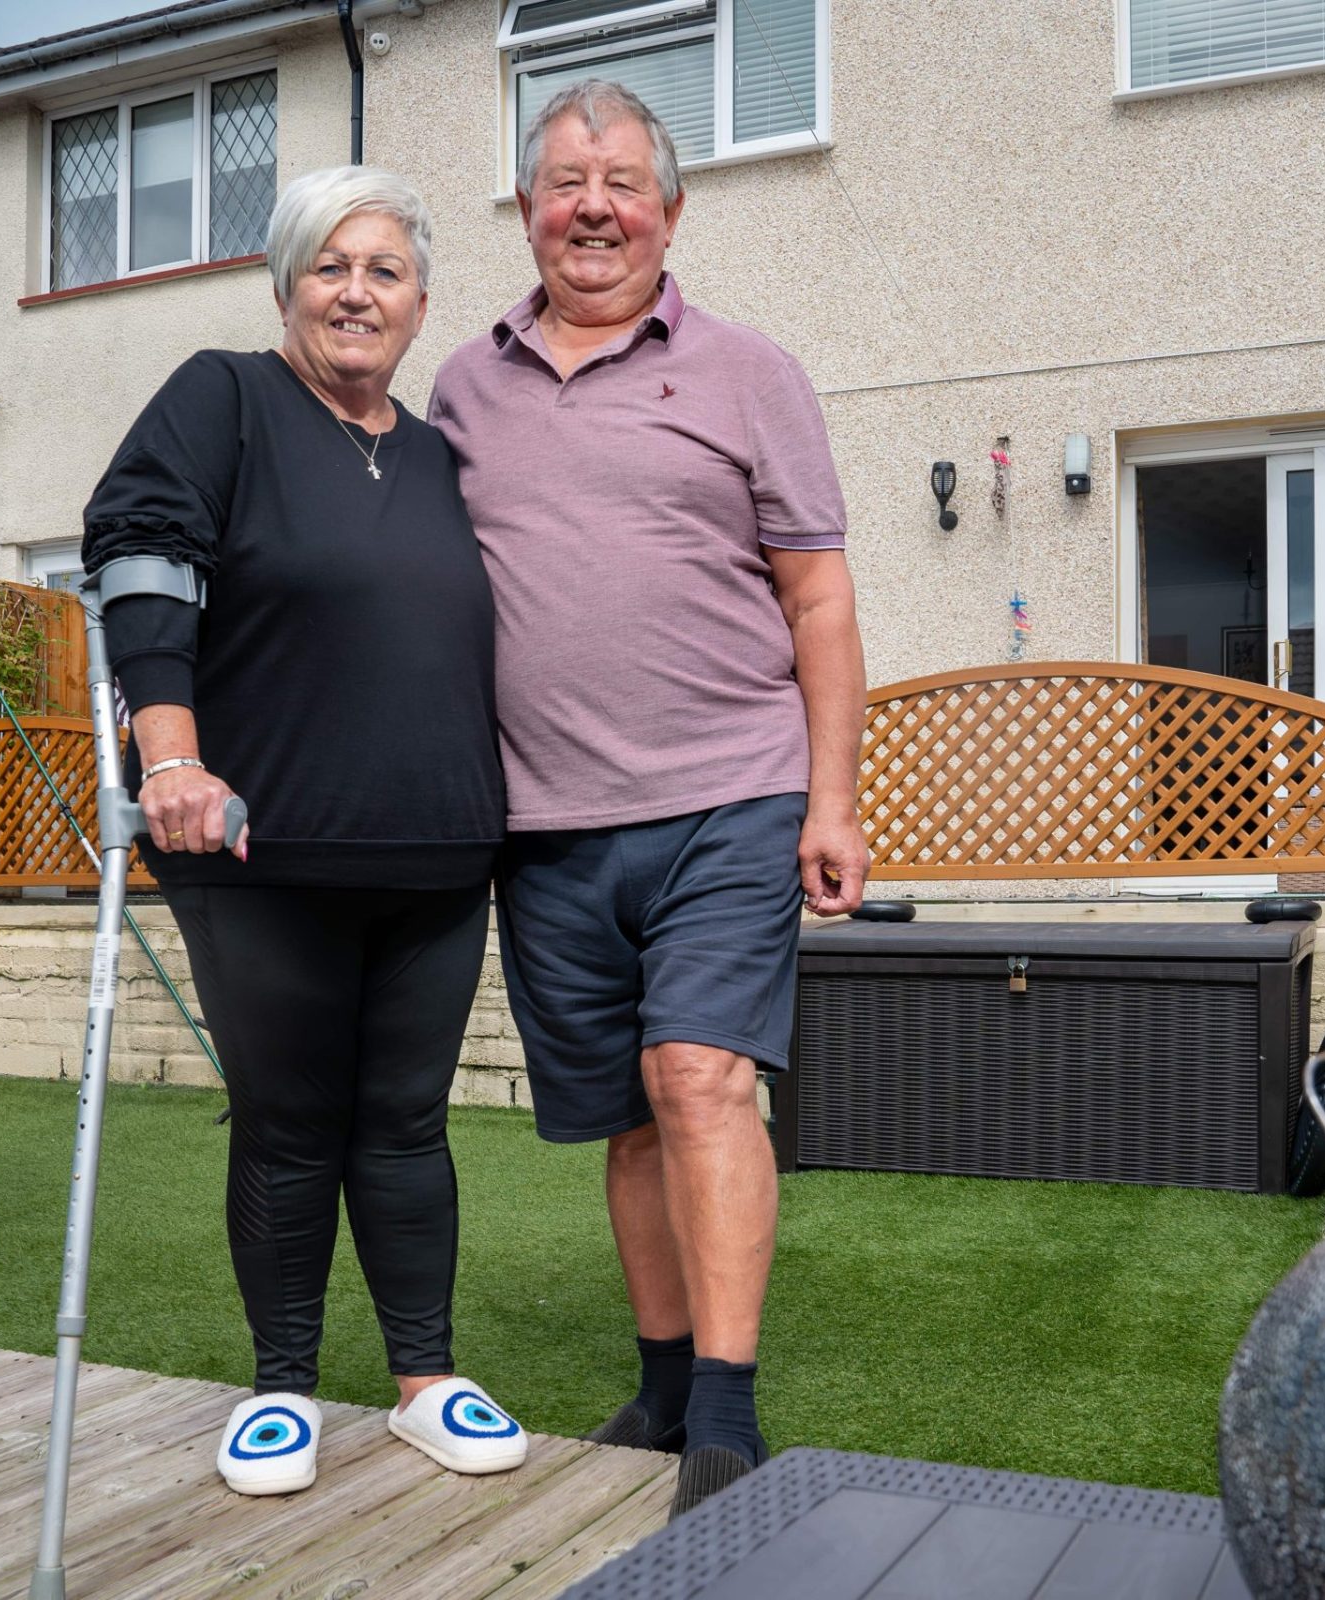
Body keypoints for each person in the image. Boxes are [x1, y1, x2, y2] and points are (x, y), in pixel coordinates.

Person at [429, 82, 868, 1517]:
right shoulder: (464, 389)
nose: (595, 204)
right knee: (627, 1116)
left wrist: (834, 799)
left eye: (623, 180)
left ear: (671, 211)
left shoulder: (752, 373)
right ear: (530, 209)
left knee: (701, 1081)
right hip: (543, 826)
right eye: (566, 180)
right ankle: (664, 1382)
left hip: (729, 797)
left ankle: (726, 1418)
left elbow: (819, 601)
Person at [81, 167, 527, 1497]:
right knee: (288, 1123)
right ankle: (281, 1387)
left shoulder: (446, 454)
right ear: (285, 285)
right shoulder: (225, 400)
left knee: (404, 1122)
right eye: (329, 265)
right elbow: (142, 553)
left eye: (384, 270)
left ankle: (425, 1382)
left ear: (421, 302)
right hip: (262, 850)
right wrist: (173, 756)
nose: (356, 291)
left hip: (439, 856)